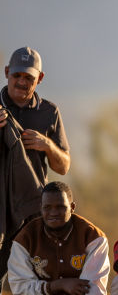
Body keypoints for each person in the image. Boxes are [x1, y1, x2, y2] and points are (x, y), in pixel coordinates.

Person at [0, 182, 109, 295]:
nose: (53, 213)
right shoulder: (24, 238)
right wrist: (57, 285)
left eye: (60, 207)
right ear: (40, 208)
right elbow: (21, 289)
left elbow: (95, 285)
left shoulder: (93, 236)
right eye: (47, 207)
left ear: (72, 207)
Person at [0, 47, 71, 281]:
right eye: (17, 75)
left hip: (33, 211)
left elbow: (63, 167)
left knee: (37, 280)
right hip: (0, 208)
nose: (22, 82)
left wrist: (48, 145)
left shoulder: (49, 112)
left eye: (28, 77)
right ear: (7, 72)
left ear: (39, 78)